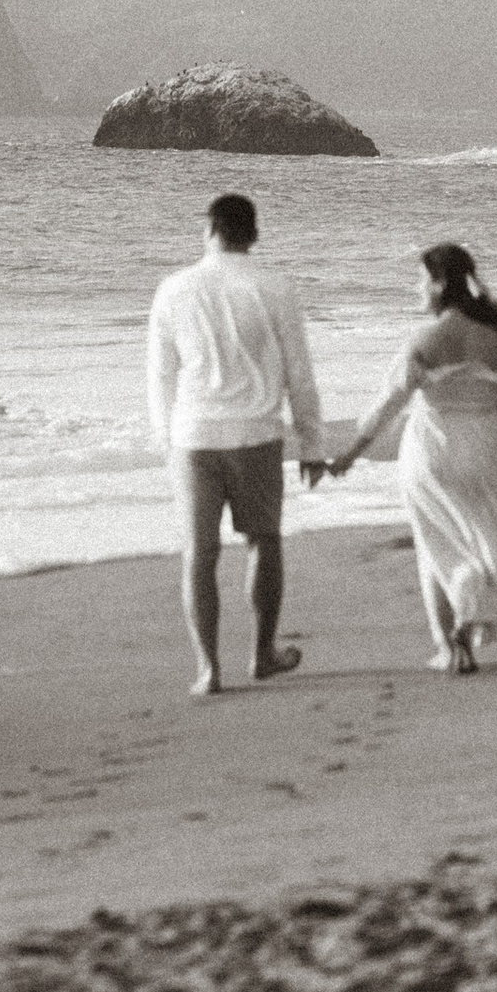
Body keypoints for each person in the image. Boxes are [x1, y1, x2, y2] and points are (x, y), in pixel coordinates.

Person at [331, 240, 497, 673]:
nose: (417, 289)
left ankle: (448, 647)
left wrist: (350, 454)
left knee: (435, 545)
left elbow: (387, 404)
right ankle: (472, 609)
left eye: (421, 280)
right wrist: (492, 417)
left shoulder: (425, 340)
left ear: (440, 283)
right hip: (484, 447)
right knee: (485, 536)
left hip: (430, 449)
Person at [146, 190, 327, 697]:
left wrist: (166, 441)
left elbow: (160, 376)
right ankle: (263, 653)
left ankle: (208, 669)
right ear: (254, 235)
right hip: (256, 434)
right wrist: (312, 445)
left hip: (194, 438)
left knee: (199, 553)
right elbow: (299, 372)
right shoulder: (275, 287)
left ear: (209, 231)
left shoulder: (174, 288)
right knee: (263, 542)